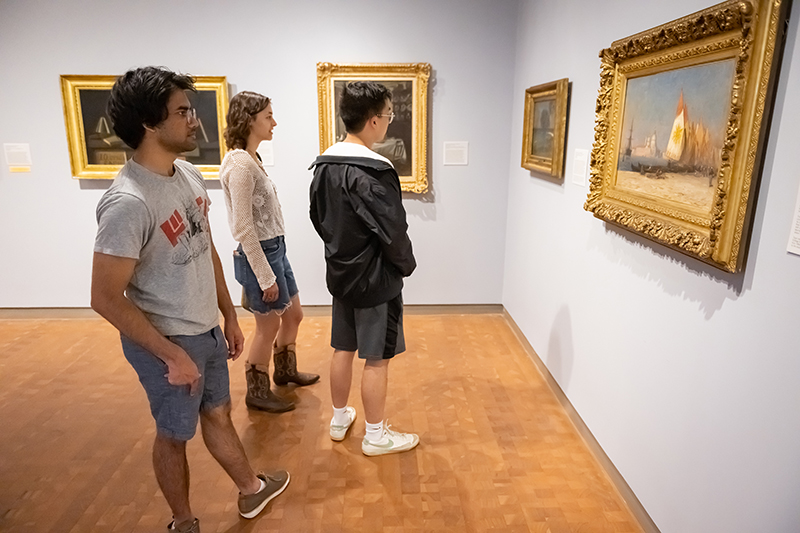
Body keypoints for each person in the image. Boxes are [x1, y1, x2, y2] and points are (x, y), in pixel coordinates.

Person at [90, 67, 289, 533]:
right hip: (167, 340)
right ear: (148, 125)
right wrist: (170, 354)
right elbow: (104, 297)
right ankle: (183, 521)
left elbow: (206, 249)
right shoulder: (128, 203)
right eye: (182, 112)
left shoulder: (185, 174)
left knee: (218, 411)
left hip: (206, 329)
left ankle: (251, 490)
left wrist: (228, 315)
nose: (194, 120)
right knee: (175, 433)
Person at [309, 81, 419, 456]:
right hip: (375, 279)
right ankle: (375, 435)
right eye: (388, 115)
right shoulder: (372, 171)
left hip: (340, 273)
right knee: (376, 356)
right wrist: (405, 265)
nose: (388, 121)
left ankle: (339, 418)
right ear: (373, 120)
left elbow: (319, 219)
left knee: (343, 346)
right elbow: (392, 230)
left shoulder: (323, 166)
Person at [219, 91, 319, 414]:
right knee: (268, 327)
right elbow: (244, 228)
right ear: (249, 121)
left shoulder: (251, 159)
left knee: (294, 315)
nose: (274, 122)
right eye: (268, 116)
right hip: (260, 254)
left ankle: (285, 371)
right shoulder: (239, 165)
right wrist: (265, 276)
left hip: (276, 248)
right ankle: (257, 390)